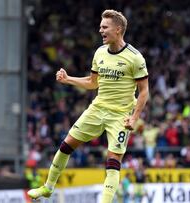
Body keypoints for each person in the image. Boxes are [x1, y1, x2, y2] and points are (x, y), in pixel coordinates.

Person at [27, 9, 149, 203]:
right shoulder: (100, 52)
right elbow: (93, 82)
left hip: (120, 115)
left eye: (104, 27)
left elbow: (144, 92)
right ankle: (48, 187)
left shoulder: (135, 58)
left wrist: (134, 117)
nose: (100, 30)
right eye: (100, 26)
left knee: (113, 162)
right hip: (97, 108)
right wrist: (68, 80)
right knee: (66, 145)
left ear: (118, 30)